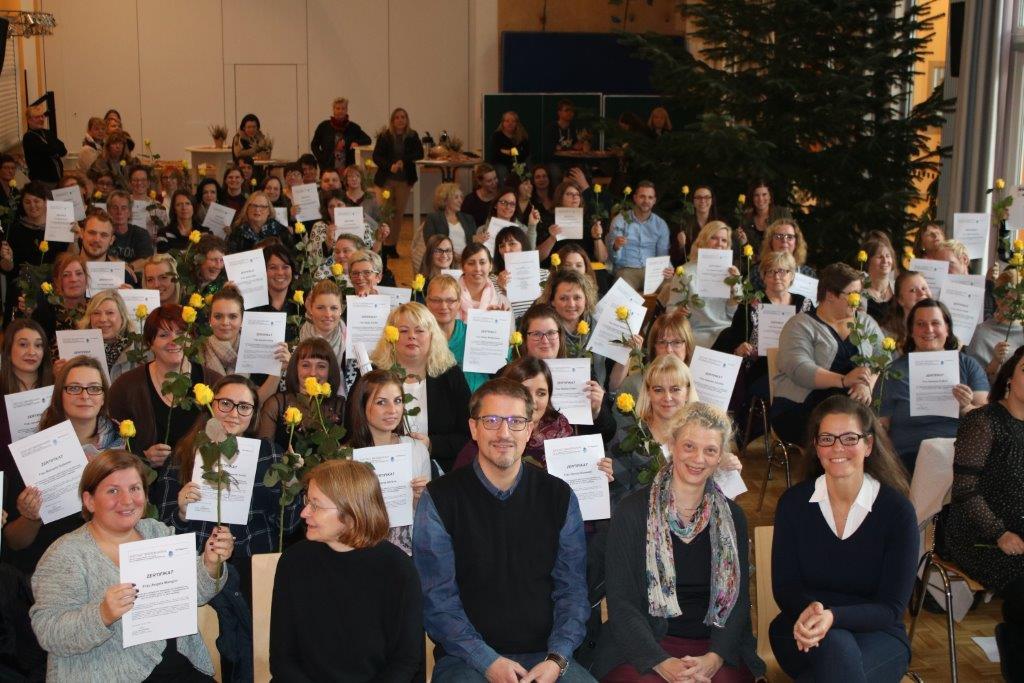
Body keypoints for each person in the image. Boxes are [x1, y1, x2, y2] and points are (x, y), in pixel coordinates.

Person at [414, 378, 593, 682]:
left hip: (546, 657)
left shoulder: (559, 496)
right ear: (473, 429)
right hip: (467, 659)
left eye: (516, 421)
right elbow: (438, 601)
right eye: (492, 420)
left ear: (530, 429)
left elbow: (573, 592)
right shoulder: (440, 499)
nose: (504, 433)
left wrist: (557, 659)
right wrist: (488, 661)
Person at [29, 450, 232, 681]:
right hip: (106, 673)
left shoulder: (156, 532)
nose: (127, 500)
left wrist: (210, 564)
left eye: (135, 489)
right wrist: (102, 614)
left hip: (180, 668)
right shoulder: (66, 554)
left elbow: (196, 594)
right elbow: (49, 632)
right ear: (89, 500)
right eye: (113, 490)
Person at [596, 402, 762, 682]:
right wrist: (660, 662)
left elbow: (739, 602)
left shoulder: (733, 517)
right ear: (672, 445)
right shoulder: (631, 511)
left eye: (710, 450)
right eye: (689, 446)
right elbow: (621, 602)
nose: (698, 459)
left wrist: (715, 658)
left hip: (714, 647)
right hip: (645, 645)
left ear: (720, 456)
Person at [155, 375, 301, 680]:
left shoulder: (270, 453)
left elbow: (290, 525)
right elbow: (161, 534)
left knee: (252, 640)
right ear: (211, 405)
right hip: (200, 566)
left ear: (254, 414)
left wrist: (290, 485)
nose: (234, 413)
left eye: (244, 407)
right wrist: (181, 511)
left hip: (253, 565)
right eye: (226, 403)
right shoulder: (183, 455)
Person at [770, 395, 917, 683]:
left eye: (850, 438)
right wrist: (813, 612)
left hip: (878, 636)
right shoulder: (793, 503)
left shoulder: (897, 511)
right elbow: (785, 587)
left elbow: (891, 607)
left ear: (869, 444)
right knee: (835, 648)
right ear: (815, 446)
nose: (837, 447)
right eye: (827, 438)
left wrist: (834, 617)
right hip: (801, 627)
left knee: (835, 658)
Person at [270, 459, 423, 680]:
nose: (304, 513)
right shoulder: (294, 562)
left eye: (316, 505)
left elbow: (405, 662)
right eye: (307, 501)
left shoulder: (397, 569)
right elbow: (283, 659)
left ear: (351, 514)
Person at [942, 347, 1024, 678]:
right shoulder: (984, 420)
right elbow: (964, 491)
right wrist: (999, 533)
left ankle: (1012, 641)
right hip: (979, 535)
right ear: (1009, 376)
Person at [3, 356, 125, 578]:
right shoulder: (35, 453)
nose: (85, 395)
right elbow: (14, 542)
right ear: (60, 395)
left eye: (94, 388)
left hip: (110, 566)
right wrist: (32, 517)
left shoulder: (124, 445)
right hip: (53, 570)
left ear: (103, 396)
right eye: (74, 388)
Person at [771, 263, 882, 445]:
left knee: (882, 427)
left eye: (859, 294)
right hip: (803, 406)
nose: (858, 301)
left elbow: (882, 359)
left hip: (855, 403)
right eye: (852, 294)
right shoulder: (799, 325)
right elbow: (800, 369)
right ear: (830, 294)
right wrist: (844, 380)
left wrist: (866, 385)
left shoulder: (865, 322)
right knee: (852, 434)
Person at [877, 299, 988, 473]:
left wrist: (966, 407)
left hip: (959, 455)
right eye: (920, 324)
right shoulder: (893, 372)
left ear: (947, 329)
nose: (928, 330)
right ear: (911, 331)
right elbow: (880, 427)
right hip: (909, 458)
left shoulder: (968, 365)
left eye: (935, 323)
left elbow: (988, 422)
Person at [109, 304, 223, 473]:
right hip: (148, 486)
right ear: (150, 343)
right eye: (163, 335)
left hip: (202, 480)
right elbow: (111, 445)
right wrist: (142, 457)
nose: (173, 341)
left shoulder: (214, 382)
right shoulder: (126, 386)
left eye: (180, 333)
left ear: (190, 338)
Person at [369, 302, 472, 473]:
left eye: (419, 330)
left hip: (441, 473)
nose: (412, 336)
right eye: (403, 331)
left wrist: (431, 445)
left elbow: (470, 434)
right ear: (390, 336)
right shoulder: (372, 375)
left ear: (432, 335)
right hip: (381, 471)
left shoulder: (450, 375)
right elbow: (356, 427)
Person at [714, 251, 813, 422]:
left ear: (792, 275)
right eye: (771, 271)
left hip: (796, 366)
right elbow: (734, 338)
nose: (777, 276)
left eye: (783, 271)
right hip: (761, 368)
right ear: (763, 275)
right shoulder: (750, 303)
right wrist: (740, 347)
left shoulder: (804, 304)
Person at [343, 370, 432, 553]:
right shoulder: (346, 457)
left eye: (397, 401)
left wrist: (420, 499)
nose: (392, 410)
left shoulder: (417, 450)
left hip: (408, 552)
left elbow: (425, 518)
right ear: (362, 405)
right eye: (381, 402)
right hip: (361, 550)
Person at [204, 285, 290, 405]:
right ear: (210, 319)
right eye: (218, 316)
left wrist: (278, 369)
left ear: (243, 320)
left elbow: (258, 401)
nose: (225, 322)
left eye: (233, 316)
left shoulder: (257, 349)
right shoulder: (197, 351)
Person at [660, 221, 739, 349]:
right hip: (696, 332)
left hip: (725, 330)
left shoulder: (732, 273)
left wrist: (734, 290)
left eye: (724, 240)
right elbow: (670, 310)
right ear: (703, 240)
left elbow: (733, 314)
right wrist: (678, 313)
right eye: (714, 238)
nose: (719, 243)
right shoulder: (684, 272)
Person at [257, 337, 345, 451]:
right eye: (305, 365)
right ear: (295, 368)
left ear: (330, 370)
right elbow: (264, 454)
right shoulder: (275, 404)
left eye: (321, 366)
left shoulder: (341, 406)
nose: (313, 372)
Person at [371, 107, 424, 256]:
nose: (400, 120)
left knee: (398, 214)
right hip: (385, 181)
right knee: (385, 214)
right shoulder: (384, 136)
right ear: (392, 121)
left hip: (404, 181)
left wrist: (402, 161)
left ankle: (392, 246)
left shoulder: (413, 136)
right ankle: (383, 245)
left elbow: (419, 153)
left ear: (407, 120)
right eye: (397, 117)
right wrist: (390, 166)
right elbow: (377, 157)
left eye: (403, 117)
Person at [424, 275, 489, 393]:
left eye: (450, 300)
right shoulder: (419, 339)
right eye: (436, 300)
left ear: (459, 303)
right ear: (427, 302)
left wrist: (500, 331)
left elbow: (503, 366)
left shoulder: (475, 335)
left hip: (477, 402)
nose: (443, 306)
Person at [606, 182, 671, 292]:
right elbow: (613, 259)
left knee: (672, 288)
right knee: (622, 291)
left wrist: (669, 268)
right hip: (627, 270)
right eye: (642, 196)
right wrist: (616, 246)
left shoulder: (660, 225)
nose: (646, 201)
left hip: (653, 271)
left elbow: (662, 255)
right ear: (635, 198)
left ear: (654, 201)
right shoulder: (620, 220)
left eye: (650, 197)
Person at [968, 268, 1024, 381]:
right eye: (1005, 298)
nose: (1011, 304)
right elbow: (975, 380)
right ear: (997, 298)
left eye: (1016, 299)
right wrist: (995, 361)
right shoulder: (982, 333)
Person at [536, 179, 609, 266]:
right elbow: (538, 258)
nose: (575, 197)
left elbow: (602, 258)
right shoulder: (547, 219)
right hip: (557, 268)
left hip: (583, 268)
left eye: (578, 194)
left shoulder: (589, 220)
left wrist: (597, 238)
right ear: (560, 197)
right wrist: (552, 238)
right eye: (569, 194)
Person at [74, 290, 135, 382]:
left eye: (110, 313)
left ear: (122, 317)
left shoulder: (140, 348)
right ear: (89, 318)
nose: (102, 319)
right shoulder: (76, 348)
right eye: (96, 313)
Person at [417, 182, 476, 272]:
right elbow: (431, 243)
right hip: (442, 260)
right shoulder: (433, 218)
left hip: (466, 260)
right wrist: (453, 255)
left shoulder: (468, 218)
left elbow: (472, 242)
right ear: (445, 200)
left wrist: (476, 240)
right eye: (456, 197)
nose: (461, 200)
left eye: (461, 197)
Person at [298, 279, 347, 388]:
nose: (328, 314)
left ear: (341, 309)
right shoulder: (296, 338)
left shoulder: (351, 343)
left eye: (334, 308)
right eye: (320, 308)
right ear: (310, 308)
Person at [493, 224, 547, 319]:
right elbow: (497, 315)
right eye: (502, 246)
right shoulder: (493, 279)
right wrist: (504, 290)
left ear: (523, 245)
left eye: (512, 244)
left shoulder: (544, 274)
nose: (506, 249)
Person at [748, 219, 815, 291]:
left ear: (796, 242)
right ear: (771, 242)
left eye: (789, 237)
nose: (784, 240)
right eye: (779, 236)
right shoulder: (757, 272)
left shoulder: (808, 273)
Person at [309, 97, 373, 171]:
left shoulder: (354, 127)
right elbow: (314, 145)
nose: (340, 111)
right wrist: (321, 159)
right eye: (338, 108)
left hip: (348, 170)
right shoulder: (323, 126)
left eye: (343, 108)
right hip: (328, 168)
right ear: (333, 110)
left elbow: (368, 140)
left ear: (346, 110)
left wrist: (357, 142)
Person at [734, 181, 791, 260]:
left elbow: (791, 239)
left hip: (780, 261)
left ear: (770, 197)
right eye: (756, 195)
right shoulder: (746, 219)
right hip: (754, 265)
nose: (760, 199)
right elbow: (744, 251)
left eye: (764, 194)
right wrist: (744, 243)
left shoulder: (782, 213)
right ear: (752, 198)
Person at [880, 271, 932, 348]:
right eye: (913, 290)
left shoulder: (942, 325)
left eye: (924, 288)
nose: (921, 293)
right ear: (900, 300)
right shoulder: (885, 334)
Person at [226, 191, 291, 252]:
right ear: (247, 209)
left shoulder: (281, 231)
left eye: (262, 206)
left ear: (269, 211)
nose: (257, 209)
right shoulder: (237, 232)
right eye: (254, 205)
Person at [458, 243, 510, 320]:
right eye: (471, 263)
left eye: (482, 263)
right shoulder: (449, 298)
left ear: (490, 266)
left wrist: (500, 323)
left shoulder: (502, 302)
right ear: (462, 267)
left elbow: (511, 332)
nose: (477, 269)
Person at [106, 190, 155, 271]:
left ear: (129, 212)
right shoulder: (102, 234)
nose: (119, 212)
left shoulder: (141, 234)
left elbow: (147, 260)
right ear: (108, 211)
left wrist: (125, 269)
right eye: (115, 208)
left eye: (124, 208)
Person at [22, 105, 66, 185]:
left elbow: (63, 150)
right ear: (29, 120)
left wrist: (54, 150)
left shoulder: (47, 133)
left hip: (58, 179)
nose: (41, 119)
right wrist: (54, 150)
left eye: (42, 116)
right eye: (37, 117)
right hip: (42, 182)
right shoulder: (29, 137)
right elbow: (49, 151)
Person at [674, 185, 718, 266]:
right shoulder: (683, 224)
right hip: (689, 269)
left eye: (707, 197)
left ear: (712, 201)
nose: (702, 200)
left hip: (712, 268)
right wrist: (681, 245)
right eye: (698, 197)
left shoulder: (719, 224)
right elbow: (674, 258)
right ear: (693, 201)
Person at [861, 234, 897, 321]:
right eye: (880, 257)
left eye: (888, 256)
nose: (885, 261)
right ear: (868, 261)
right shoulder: (859, 290)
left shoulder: (898, 288)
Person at [488, 111, 530, 177]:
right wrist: (513, 154)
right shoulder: (496, 136)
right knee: (502, 171)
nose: (510, 123)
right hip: (501, 164)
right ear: (503, 123)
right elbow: (496, 154)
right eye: (507, 121)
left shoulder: (522, 137)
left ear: (517, 123)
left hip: (518, 163)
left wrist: (506, 152)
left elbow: (525, 153)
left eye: (513, 121)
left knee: (525, 172)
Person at [461, 163, 500, 228]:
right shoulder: (470, 200)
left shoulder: (501, 197)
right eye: (489, 181)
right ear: (479, 182)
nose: (494, 183)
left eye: (495, 178)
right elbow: (465, 225)